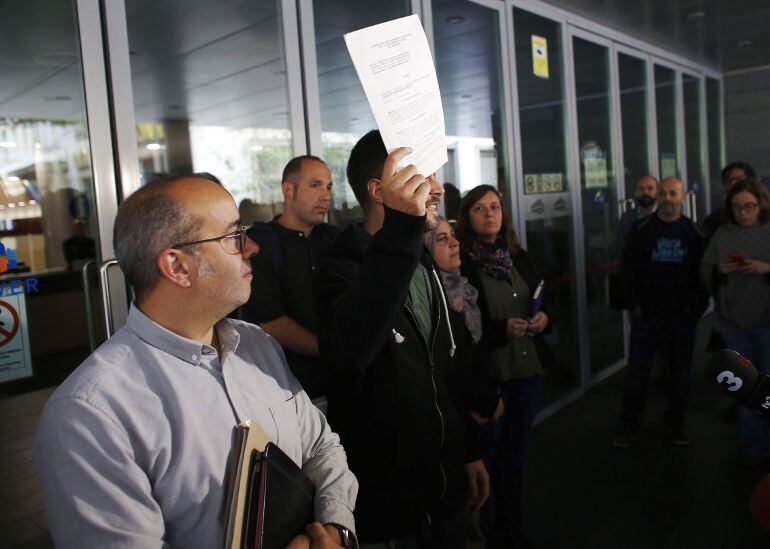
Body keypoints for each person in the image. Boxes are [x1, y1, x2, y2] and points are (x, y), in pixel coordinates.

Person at [34, 174, 358, 548]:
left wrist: (333, 529)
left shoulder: (256, 345)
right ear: (178, 266)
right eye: (234, 236)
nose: (252, 247)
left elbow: (321, 447)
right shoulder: (90, 415)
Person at [315, 130, 488, 548]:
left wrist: (467, 451)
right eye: (420, 177)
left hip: (444, 496)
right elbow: (351, 352)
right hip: (388, 513)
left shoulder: (422, 263)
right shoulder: (340, 269)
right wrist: (401, 231)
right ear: (380, 191)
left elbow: (440, 371)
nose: (436, 189)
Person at [454, 184, 552, 549]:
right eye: (480, 208)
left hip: (527, 369)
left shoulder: (517, 255)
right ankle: (487, 534)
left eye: (495, 207)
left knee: (516, 458)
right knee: (487, 463)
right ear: (468, 216)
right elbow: (463, 327)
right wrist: (500, 330)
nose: (489, 214)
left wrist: (543, 319)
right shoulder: (461, 262)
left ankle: (513, 531)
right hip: (492, 376)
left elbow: (541, 298)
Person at [615, 177, 709, 448]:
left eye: (672, 193)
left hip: (681, 317)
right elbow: (628, 271)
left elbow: (702, 276)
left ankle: (676, 424)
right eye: (664, 193)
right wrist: (635, 304)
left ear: (682, 196)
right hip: (647, 316)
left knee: (679, 374)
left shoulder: (694, 233)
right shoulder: (641, 229)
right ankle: (630, 425)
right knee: (637, 374)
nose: (667, 198)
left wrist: (696, 310)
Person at [242, 155, 339, 401]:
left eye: (328, 186)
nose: (326, 195)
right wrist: (336, 350)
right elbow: (271, 322)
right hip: (289, 388)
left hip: (342, 383)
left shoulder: (336, 239)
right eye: (315, 185)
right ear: (288, 190)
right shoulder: (260, 244)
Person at [700, 178, 770, 462]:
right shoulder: (723, 235)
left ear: (760, 205)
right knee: (746, 391)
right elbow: (705, 271)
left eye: (750, 206)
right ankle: (755, 450)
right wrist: (720, 271)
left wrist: (767, 268)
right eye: (738, 207)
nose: (744, 213)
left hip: (768, 321)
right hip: (733, 322)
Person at [703, 161, 757, 237]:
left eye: (738, 179)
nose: (733, 184)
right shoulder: (715, 220)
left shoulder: (765, 212)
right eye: (728, 180)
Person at [615, 175, 659, 262]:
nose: (645, 192)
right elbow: (620, 248)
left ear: (657, 192)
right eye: (641, 189)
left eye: (650, 188)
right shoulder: (626, 219)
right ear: (636, 192)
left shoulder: (667, 217)